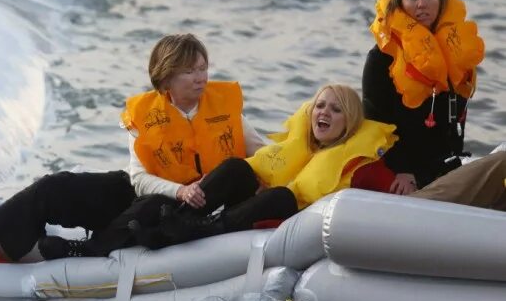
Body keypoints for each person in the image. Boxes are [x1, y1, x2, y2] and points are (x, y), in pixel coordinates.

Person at [0, 33, 267, 263]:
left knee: (150, 208)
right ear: (165, 78)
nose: (201, 77)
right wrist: (180, 189)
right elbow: (139, 178)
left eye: (203, 68)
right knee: (57, 185)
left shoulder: (226, 110)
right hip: (155, 191)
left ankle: (83, 250)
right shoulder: (145, 116)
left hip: (183, 211)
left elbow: (264, 152)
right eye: (190, 71)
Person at [132, 84, 397, 248]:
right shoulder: (301, 145)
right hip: (251, 208)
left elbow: (396, 198)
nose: (324, 113)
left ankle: (203, 230)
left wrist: (409, 178)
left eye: (336, 110)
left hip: (292, 223)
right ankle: (177, 219)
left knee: (282, 196)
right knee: (237, 167)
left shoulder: (361, 164)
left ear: (349, 121)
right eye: (320, 106)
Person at [362, 0, 505, 210]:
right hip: (407, 186)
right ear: (400, 4)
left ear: (442, 1)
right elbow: (374, 126)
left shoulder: (455, 61)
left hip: (444, 175)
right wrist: (403, 170)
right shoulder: (380, 60)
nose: (421, 4)